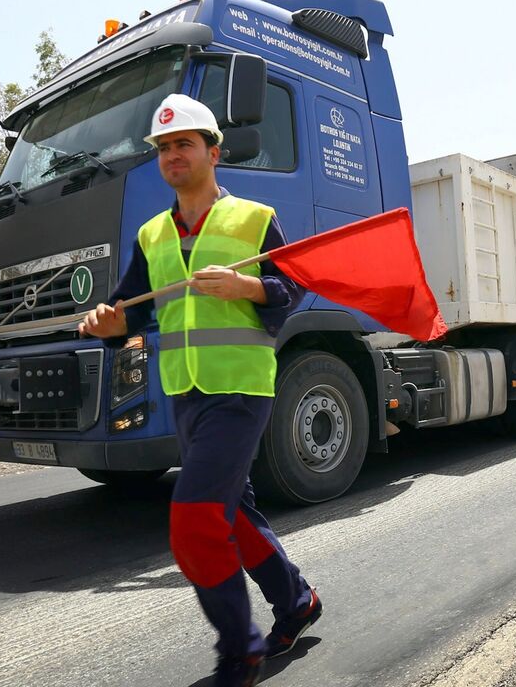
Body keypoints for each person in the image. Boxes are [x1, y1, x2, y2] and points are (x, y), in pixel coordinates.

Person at [79, 94, 321, 687]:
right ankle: (296, 603)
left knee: (193, 518)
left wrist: (247, 287)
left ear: (214, 152)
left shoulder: (253, 219)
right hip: (185, 392)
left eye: (183, 143)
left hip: (241, 391)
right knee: (233, 512)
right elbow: (130, 313)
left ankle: (240, 654)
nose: (172, 155)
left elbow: (292, 289)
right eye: (163, 148)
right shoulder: (153, 235)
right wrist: (111, 327)